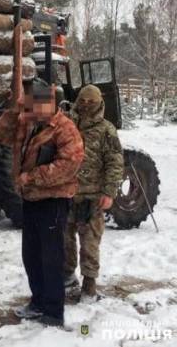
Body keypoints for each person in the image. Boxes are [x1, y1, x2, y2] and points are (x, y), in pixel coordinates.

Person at [0, 78, 84, 327]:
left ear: (49, 103)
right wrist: (16, 109)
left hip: (54, 199)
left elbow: (69, 165)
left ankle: (53, 312)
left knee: (51, 257)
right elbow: (0, 134)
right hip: (31, 198)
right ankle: (38, 301)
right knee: (31, 255)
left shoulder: (65, 129)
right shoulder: (27, 122)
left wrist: (31, 177)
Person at [64, 85, 124, 301]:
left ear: (99, 102)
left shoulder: (106, 130)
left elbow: (115, 162)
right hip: (66, 193)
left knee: (90, 242)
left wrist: (109, 191)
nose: (86, 105)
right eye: (83, 100)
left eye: (91, 101)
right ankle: (67, 278)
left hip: (93, 196)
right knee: (64, 239)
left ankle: (89, 286)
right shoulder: (66, 124)